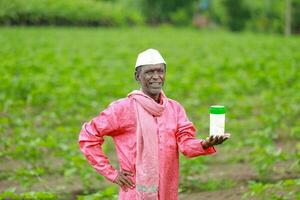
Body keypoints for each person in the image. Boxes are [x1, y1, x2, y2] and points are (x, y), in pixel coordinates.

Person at [78, 48, 230, 200]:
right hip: (135, 191)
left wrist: (204, 144)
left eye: (160, 71)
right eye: (149, 72)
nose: (156, 77)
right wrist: (112, 173)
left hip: (166, 190)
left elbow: (185, 144)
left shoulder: (174, 109)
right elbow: (88, 136)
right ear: (137, 76)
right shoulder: (123, 109)